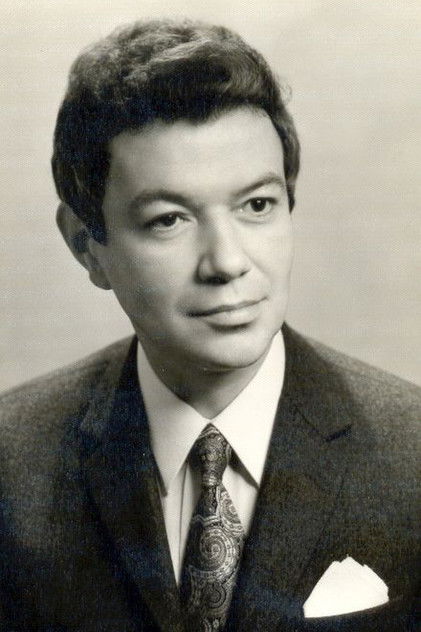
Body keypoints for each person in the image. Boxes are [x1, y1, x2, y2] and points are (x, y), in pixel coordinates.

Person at [0, 18, 419, 632]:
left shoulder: (413, 458)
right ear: (87, 246)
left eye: (257, 205)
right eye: (168, 219)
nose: (226, 262)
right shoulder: (11, 466)